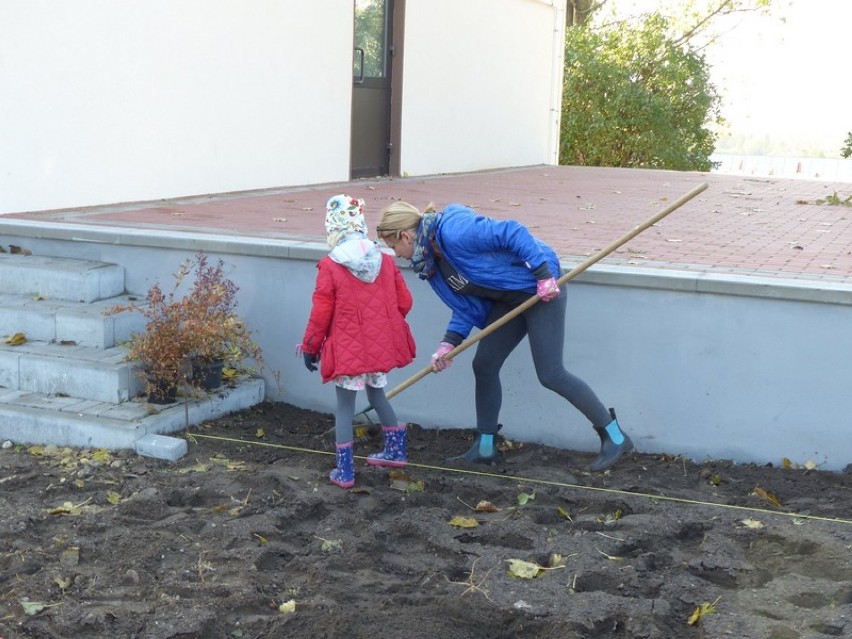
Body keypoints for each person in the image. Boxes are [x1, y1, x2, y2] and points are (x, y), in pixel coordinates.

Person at [375, 201, 633, 472]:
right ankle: (485, 448)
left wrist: (543, 275)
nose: (397, 255)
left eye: (394, 247)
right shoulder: (432, 264)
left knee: (551, 373)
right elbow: (466, 306)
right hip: (509, 300)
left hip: (540, 290)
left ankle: (615, 436)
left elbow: (513, 232)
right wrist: (448, 343)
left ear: (405, 236)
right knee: (484, 364)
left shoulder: (454, 231)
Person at [299, 195, 416, 488]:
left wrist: (311, 347)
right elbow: (405, 302)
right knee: (378, 395)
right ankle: (395, 451)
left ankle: (345, 471)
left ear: (333, 227)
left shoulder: (331, 266)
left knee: (344, 407)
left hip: (349, 350)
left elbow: (321, 313)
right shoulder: (386, 261)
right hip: (379, 347)